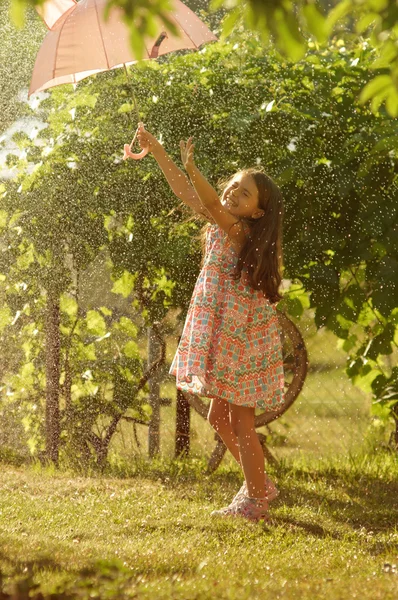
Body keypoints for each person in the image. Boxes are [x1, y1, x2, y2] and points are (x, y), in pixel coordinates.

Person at [137, 124, 285, 522]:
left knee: (240, 420)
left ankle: (256, 501)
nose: (233, 192)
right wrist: (159, 153)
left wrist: (193, 167)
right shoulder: (220, 225)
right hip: (226, 332)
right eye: (233, 184)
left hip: (242, 338)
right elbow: (186, 193)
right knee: (220, 417)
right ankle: (260, 485)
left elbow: (208, 200)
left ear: (257, 211)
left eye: (244, 191)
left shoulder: (240, 231)